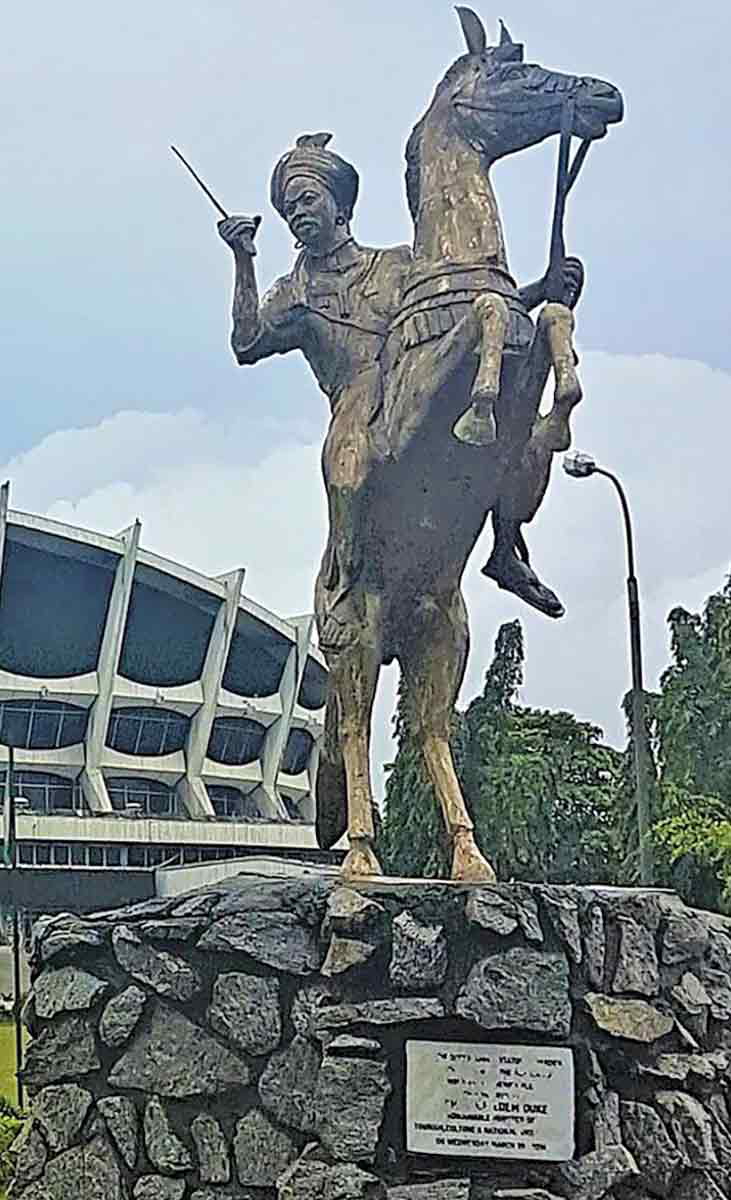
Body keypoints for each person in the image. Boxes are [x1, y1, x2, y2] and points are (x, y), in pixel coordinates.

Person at [218, 134, 411, 652]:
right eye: (287, 208)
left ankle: (508, 541)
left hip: (412, 384)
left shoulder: (396, 265)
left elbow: (452, 303)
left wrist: (536, 289)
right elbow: (247, 341)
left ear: (339, 203)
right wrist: (243, 260)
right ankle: (345, 579)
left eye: (307, 199)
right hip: (355, 401)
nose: (296, 213)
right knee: (345, 469)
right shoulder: (295, 292)